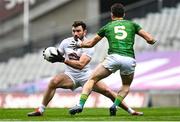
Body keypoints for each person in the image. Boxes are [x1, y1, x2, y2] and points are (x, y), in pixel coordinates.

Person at [27, 21, 143, 116]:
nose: (75, 33)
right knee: (53, 82)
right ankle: (40, 110)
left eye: (78, 31)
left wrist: (62, 60)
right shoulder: (65, 42)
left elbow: (81, 65)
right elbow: (58, 55)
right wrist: (51, 56)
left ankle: (130, 111)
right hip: (70, 75)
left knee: (108, 91)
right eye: (73, 31)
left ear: (84, 31)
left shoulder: (88, 45)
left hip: (86, 76)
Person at [69, 3, 157, 116]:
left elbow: (90, 43)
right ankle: (115, 105)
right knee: (125, 86)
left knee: (91, 80)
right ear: (124, 14)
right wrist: (152, 41)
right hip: (129, 59)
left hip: (113, 58)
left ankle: (80, 104)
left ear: (111, 15)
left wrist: (79, 45)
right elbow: (150, 39)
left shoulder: (107, 27)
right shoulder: (132, 25)